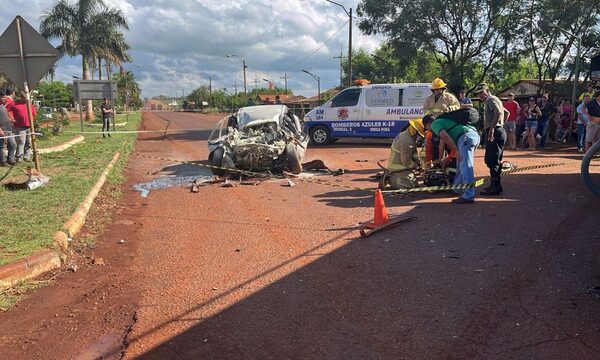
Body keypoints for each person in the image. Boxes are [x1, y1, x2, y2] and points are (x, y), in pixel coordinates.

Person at [431, 114, 480, 204]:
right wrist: (441, 159)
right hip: (473, 135)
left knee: (466, 166)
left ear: (427, 124)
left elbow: (445, 137)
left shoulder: (434, 124)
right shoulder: (446, 121)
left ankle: (469, 195)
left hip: (465, 137)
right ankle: (457, 189)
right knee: (461, 164)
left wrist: (456, 150)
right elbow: (442, 143)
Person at [474, 83, 506, 195]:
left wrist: (493, 129)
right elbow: (506, 113)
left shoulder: (491, 100)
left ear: (487, 90)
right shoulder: (495, 99)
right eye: (478, 94)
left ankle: (495, 187)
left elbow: (499, 112)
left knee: (492, 160)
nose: (480, 96)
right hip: (498, 131)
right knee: (494, 159)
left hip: (495, 131)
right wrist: (501, 126)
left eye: (481, 93)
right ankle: (496, 185)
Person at [386, 116, 434, 189]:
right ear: (416, 133)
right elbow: (406, 162)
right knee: (411, 185)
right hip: (398, 168)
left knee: (414, 183)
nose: (421, 139)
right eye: (421, 136)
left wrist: (419, 165)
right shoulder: (407, 141)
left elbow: (413, 155)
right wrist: (417, 167)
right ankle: (392, 179)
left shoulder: (409, 136)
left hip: (402, 167)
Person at [5, 91, 36, 162]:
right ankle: (19, 157)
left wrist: (32, 121)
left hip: (29, 126)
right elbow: (5, 110)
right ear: (21, 97)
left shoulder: (29, 104)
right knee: (21, 141)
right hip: (19, 126)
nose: (26, 99)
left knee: (28, 142)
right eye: (24, 98)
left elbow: (34, 113)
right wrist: (11, 119)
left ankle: (27, 157)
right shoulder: (14, 104)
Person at [0, 91, 16, 166]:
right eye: (2, 97)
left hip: (9, 129)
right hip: (2, 130)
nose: (4, 98)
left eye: (4, 97)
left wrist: (11, 120)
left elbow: (6, 117)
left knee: (12, 144)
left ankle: (10, 159)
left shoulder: (3, 106)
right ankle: (3, 162)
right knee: (2, 147)